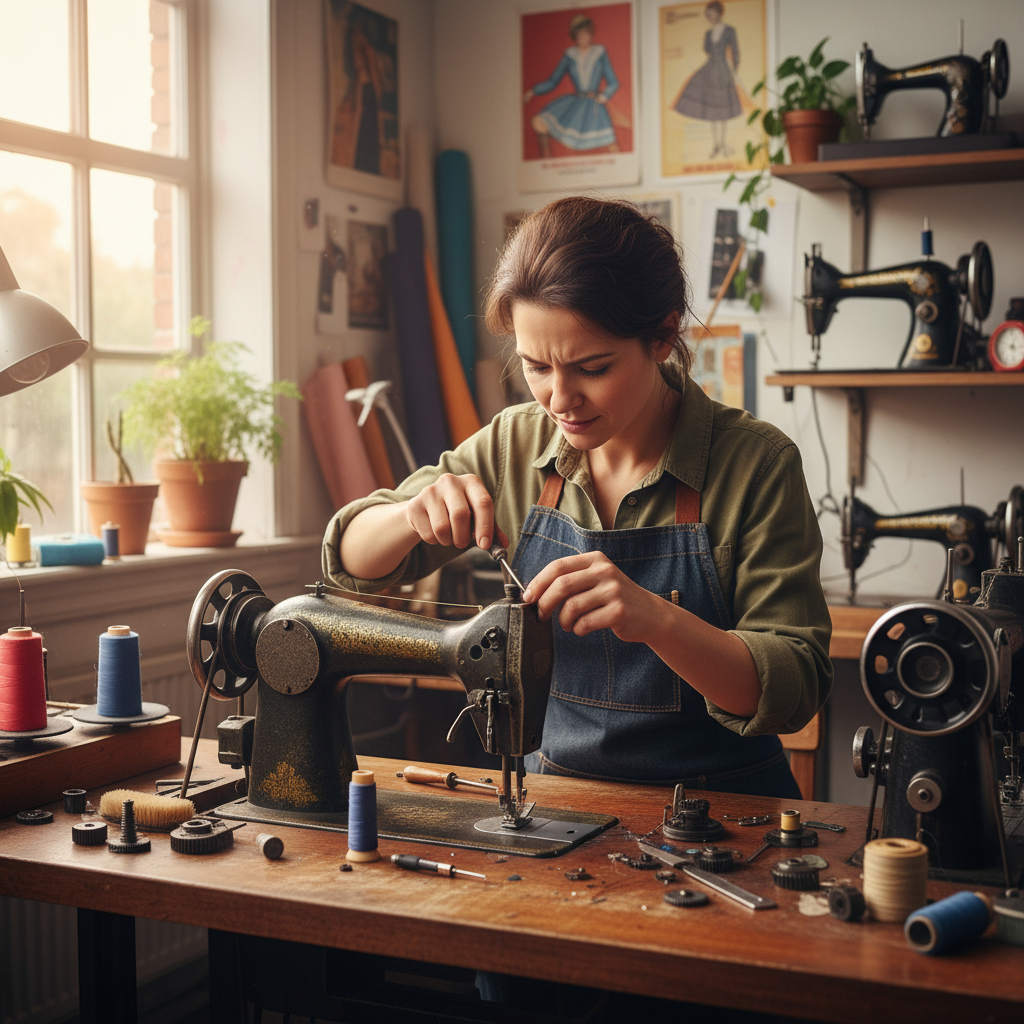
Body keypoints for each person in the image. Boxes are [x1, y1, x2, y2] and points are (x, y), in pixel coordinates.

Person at [323, 196, 832, 800]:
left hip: (728, 812)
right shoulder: (517, 443)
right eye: (536, 366)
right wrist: (411, 515)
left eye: (592, 368)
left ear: (663, 336)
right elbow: (350, 565)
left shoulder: (757, 464)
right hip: (561, 805)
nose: (559, 399)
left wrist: (656, 620)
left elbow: (794, 687)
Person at [524, 14, 620, 158]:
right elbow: (553, 81)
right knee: (538, 122)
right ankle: (547, 165)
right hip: (575, 104)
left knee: (611, 144)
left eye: (586, 33)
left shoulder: (600, 52)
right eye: (580, 34)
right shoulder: (570, 55)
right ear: (574, 36)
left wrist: (604, 96)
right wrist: (533, 91)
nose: (583, 37)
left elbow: (614, 82)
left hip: (595, 105)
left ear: (591, 33)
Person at [672, 1, 743, 158]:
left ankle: (723, 143)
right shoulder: (708, 33)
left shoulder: (729, 30)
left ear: (719, 13)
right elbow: (706, 49)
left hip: (723, 70)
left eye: (713, 14)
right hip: (710, 70)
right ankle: (716, 145)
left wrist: (734, 70)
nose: (710, 17)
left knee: (723, 109)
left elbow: (736, 52)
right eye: (708, 15)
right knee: (712, 109)